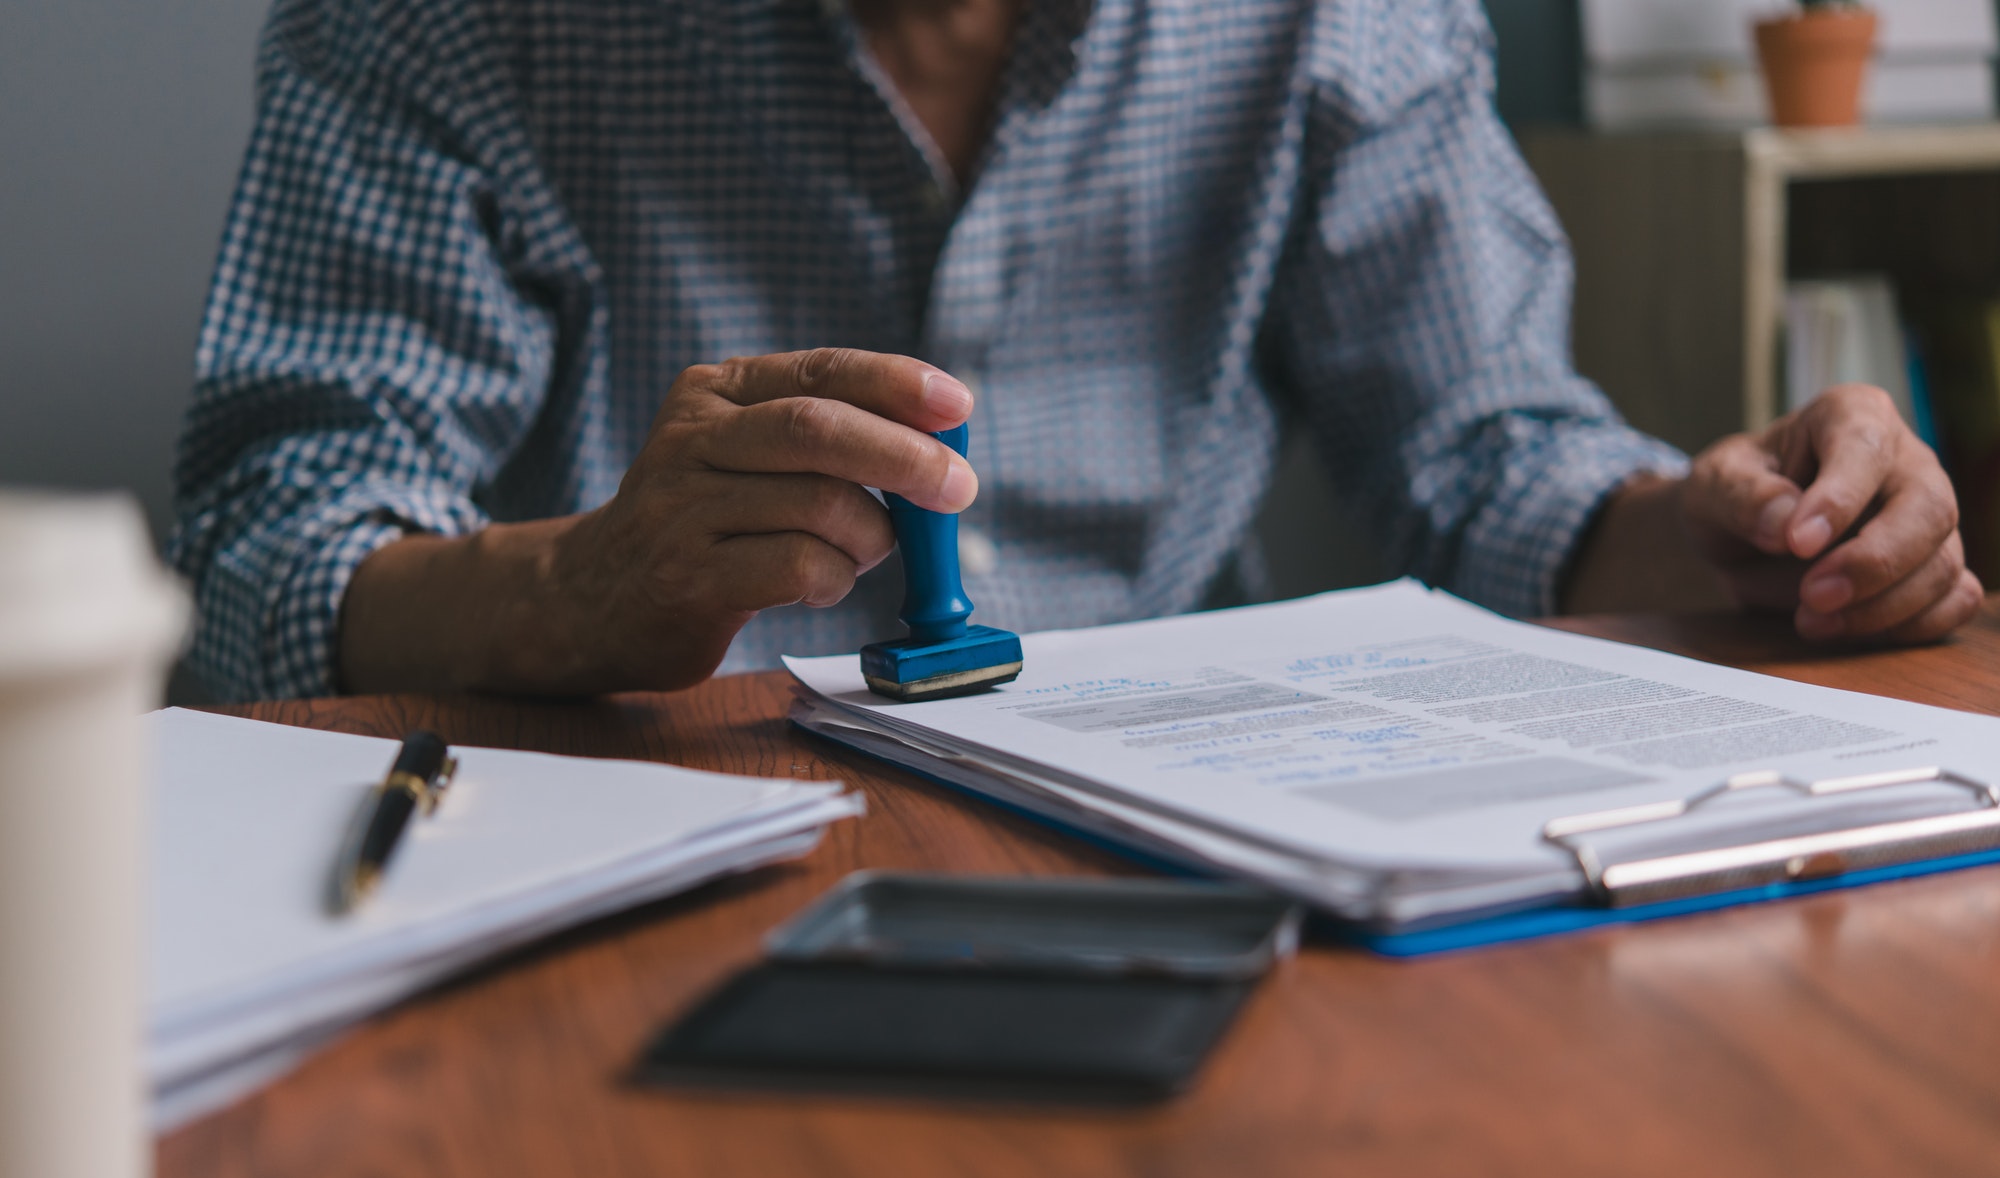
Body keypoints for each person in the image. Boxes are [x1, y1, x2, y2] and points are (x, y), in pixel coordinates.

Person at [169, 0, 1979, 701]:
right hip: (616, 812)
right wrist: (583, 592)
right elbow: (272, 555)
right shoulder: (445, 23)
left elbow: (1490, 460)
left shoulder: (1332, 18)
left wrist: (1745, 539)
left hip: (1170, 837)